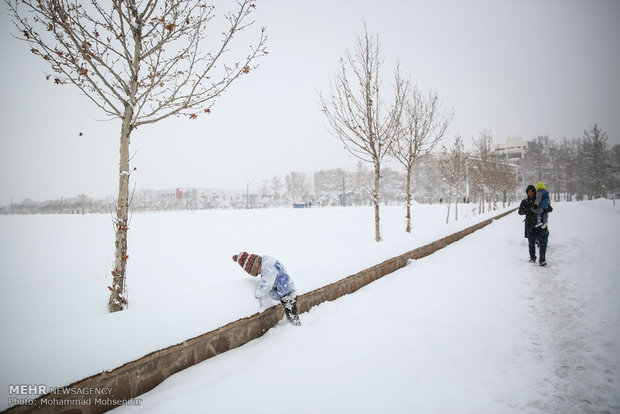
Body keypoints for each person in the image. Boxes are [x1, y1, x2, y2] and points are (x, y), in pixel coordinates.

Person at [232, 251, 301, 326]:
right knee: (290, 311)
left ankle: (296, 327)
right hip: (286, 290)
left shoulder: (268, 267)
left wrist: (258, 295)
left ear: (256, 266)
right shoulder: (268, 262)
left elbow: (266, 285)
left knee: (291, 313)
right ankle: (294, 325)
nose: (259, 274)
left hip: (287, 294)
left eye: (257, 272)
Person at [518, 184, 552, 266]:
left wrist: (543, 210)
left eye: (532, 191)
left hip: (541, 225)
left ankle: (542, 259)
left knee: (543, 242)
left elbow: (550, 208)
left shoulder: (539, 200)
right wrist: (530, 210)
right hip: (530, 225)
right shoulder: (524, 202)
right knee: (531, 243)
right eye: (529, 192)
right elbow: (520, 212)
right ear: (527, 193)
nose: (531, 193)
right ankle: (532, 257)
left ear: (535, 192)